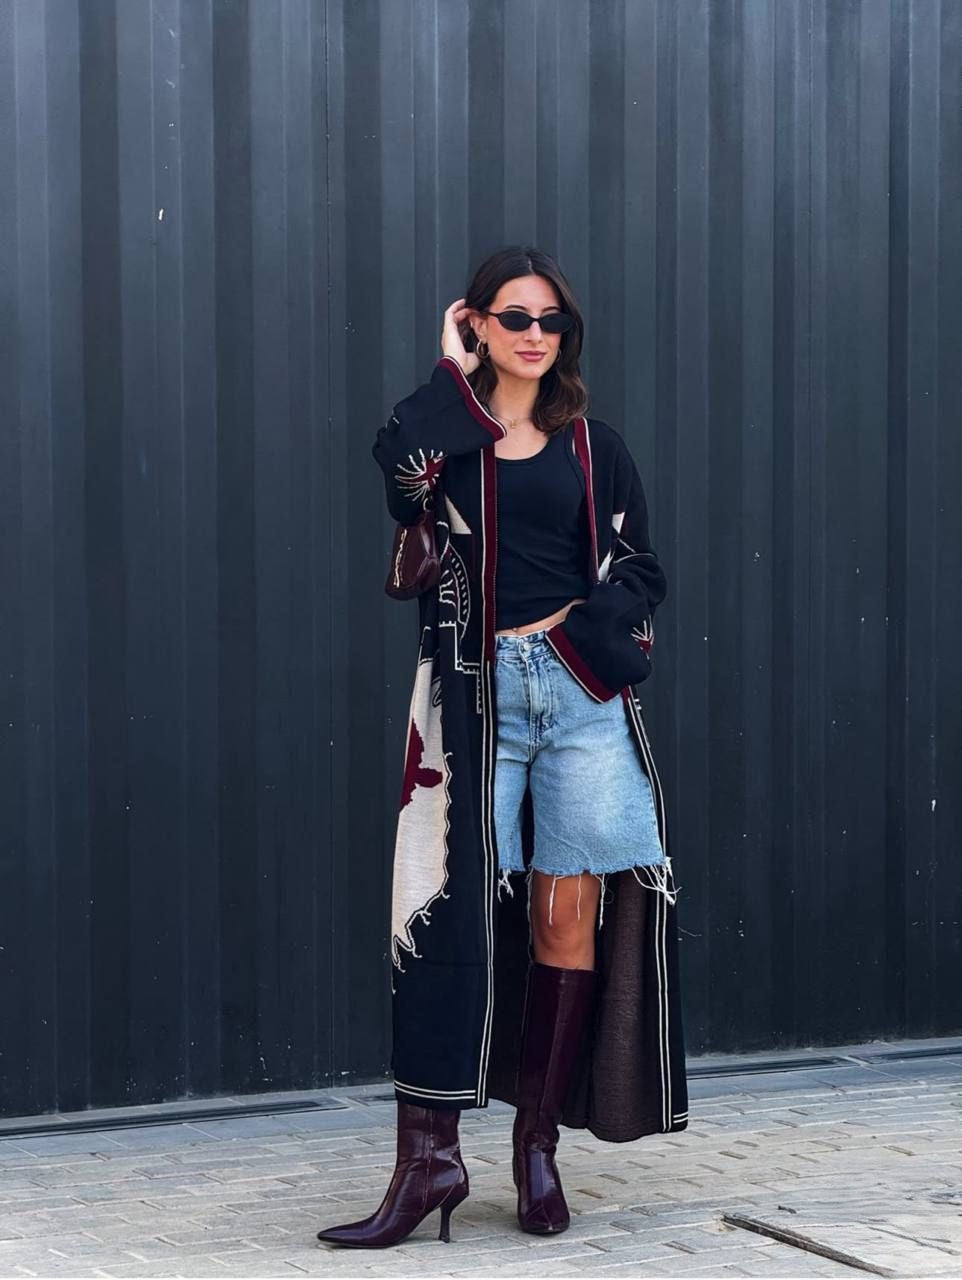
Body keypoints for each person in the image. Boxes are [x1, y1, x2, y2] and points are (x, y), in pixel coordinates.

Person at [318, 246, 687, 1250]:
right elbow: (397, 470)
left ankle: (536, 1145)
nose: (534, 335)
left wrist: (583, 637)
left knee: (567, 917)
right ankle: (428, 1162)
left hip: (576, 696)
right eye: (513, 317)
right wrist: (451, 372)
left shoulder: (593, 446)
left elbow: (642, 566)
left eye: (550, 320)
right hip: (473, 699)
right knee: (445, 908)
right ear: (476, 322)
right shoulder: (446, 443)